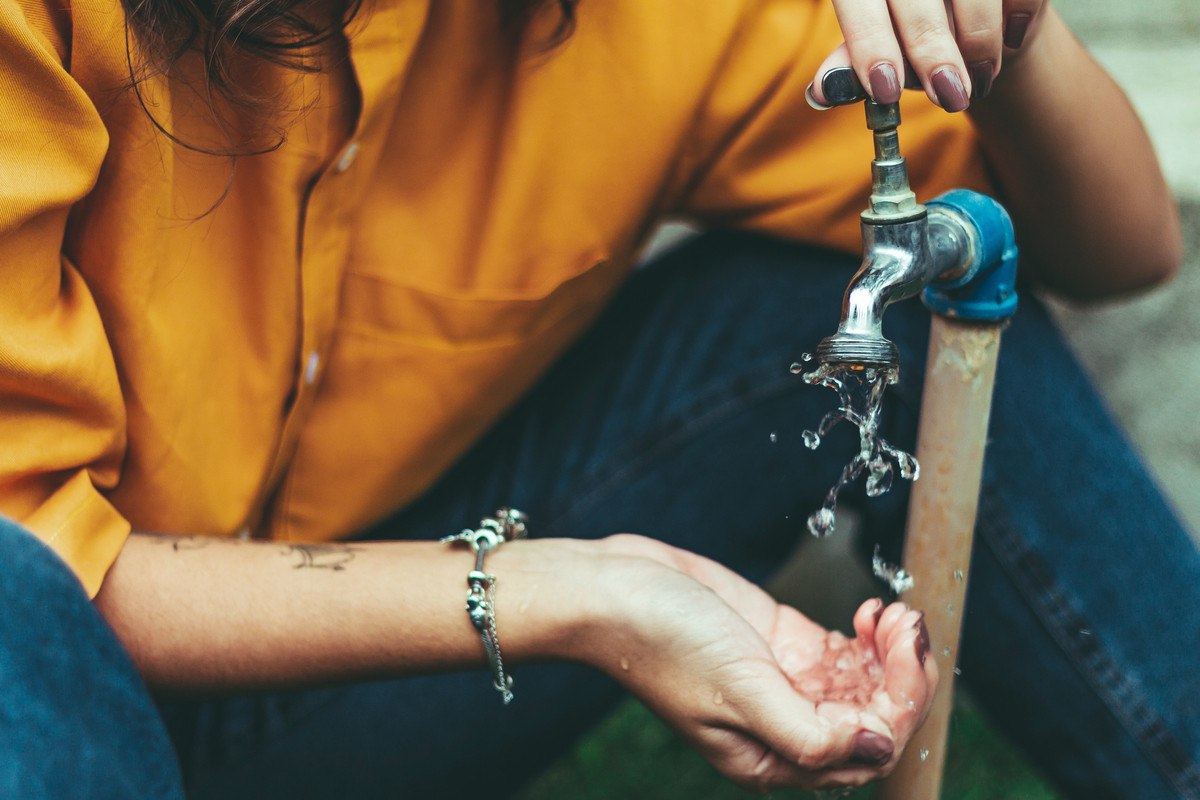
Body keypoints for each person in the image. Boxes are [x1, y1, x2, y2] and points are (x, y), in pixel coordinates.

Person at [0, 0, 1194, 797]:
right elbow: (36, 561)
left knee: (874, 295)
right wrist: (570, 595)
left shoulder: (649, 20)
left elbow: (1117, 246)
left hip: (334, 681)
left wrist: (1019, 39)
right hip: (50, 680)